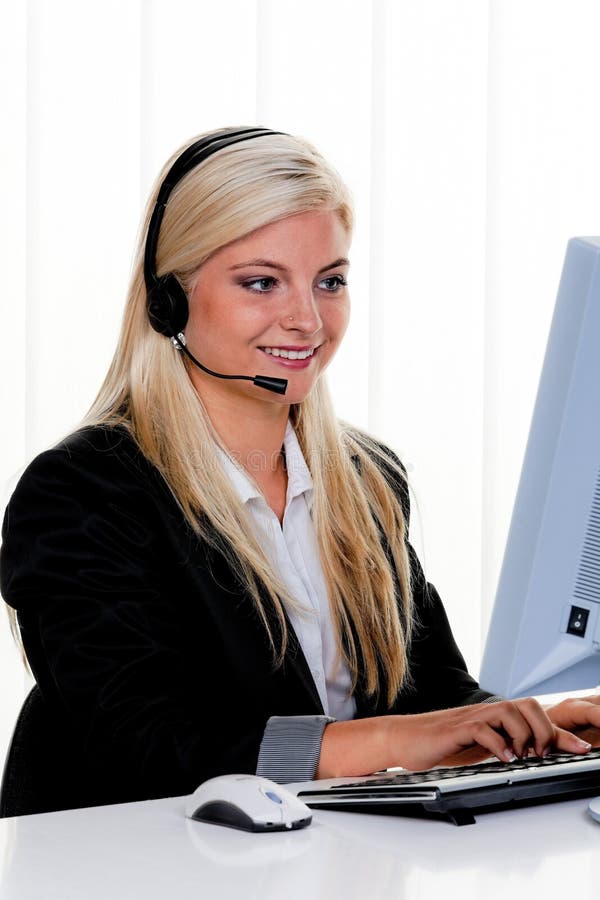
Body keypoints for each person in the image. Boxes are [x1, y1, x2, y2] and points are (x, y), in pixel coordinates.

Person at [1, 126, 599, 814]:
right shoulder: (84, 493)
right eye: (262, 282)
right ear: (169, 300)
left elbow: (432, 697)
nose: (308, 320)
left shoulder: (365, 479)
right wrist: (401, 740)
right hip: (145, 867)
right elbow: (151, 751)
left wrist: (536, 729)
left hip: (328, 859)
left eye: (330, 282)